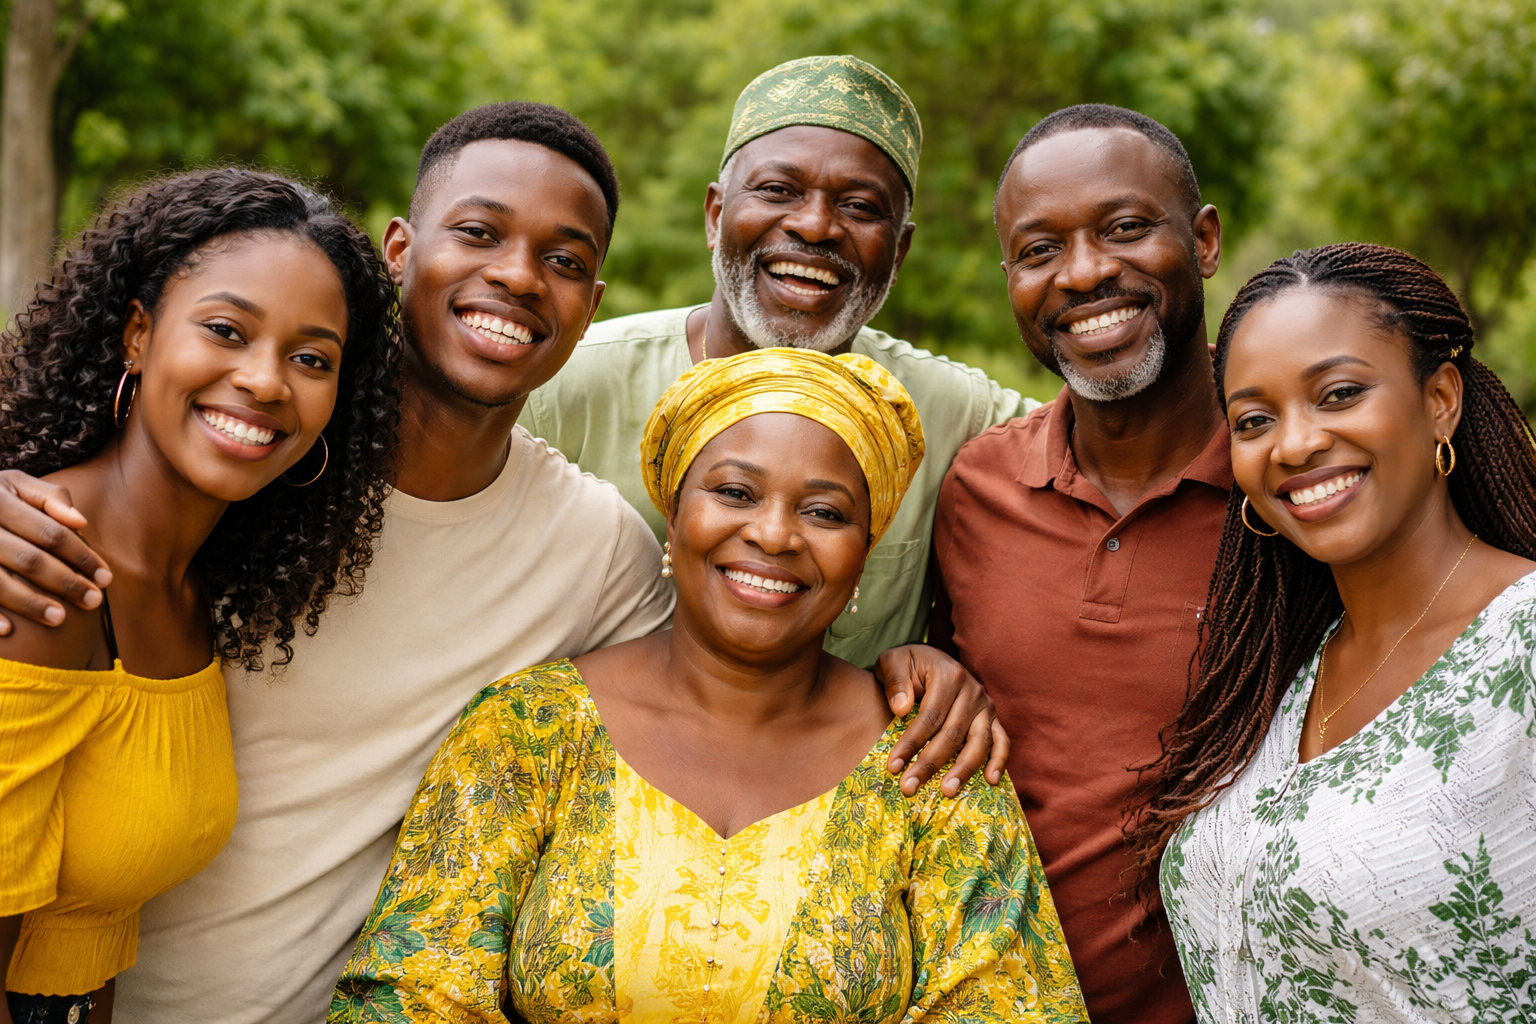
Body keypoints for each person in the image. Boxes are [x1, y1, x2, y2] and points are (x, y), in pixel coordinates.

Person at [0, 103, 998, 1024]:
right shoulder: (255, 465)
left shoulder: (595, 549)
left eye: (563, 260)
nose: (519, 277)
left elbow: (740, 653)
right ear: (400, 249)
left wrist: (908, 672)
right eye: (478, 233)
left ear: (591, 300)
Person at [331, 348, 1088, 1023]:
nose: (774, 534)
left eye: (824, 512)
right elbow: (411, 993)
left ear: (864, 554)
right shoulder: (531, 730)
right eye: (734, 492)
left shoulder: (929, 760)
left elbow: (1006, 1003)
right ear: (674, 513)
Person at [523, 56, 1026, 797]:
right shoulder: (565, 384)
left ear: (902, 248)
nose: (816, 225)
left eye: (860, 207)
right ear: (714, 213)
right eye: (778, 190)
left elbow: (1122, 444)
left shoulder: (949, 414)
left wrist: (936, 662)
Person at [0, 168, 401, 1023]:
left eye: (310, 358)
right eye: (226, 330)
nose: (265, 382)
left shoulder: (194, 589)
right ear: (138, 336)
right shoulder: (44, 574)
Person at [1134, 243, 1536, 1022]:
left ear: (1441, 400)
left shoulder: (1521, 648)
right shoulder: (1281, 677)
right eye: (1254, 419)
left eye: (1340, 393)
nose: (1294, 444)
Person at [928, 104, 1228, 1024]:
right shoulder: (977, 489)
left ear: (1205, 239)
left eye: (1127, 228)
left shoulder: (1295, 485)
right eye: (1038, 250)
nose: (1086, 272)